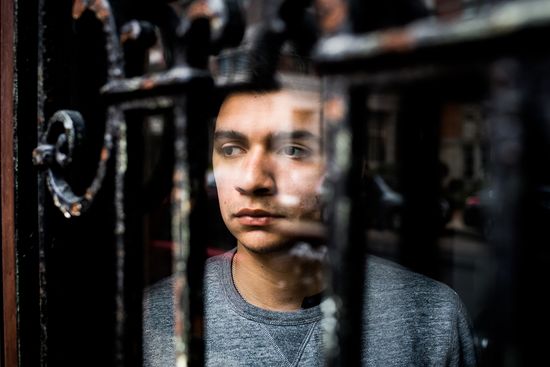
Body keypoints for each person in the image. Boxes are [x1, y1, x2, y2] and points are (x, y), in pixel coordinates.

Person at [143, 76, 478, 366]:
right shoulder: (154, 317)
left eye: (292, 149)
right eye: (231, 149)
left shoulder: (432, 317)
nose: (252, 179)